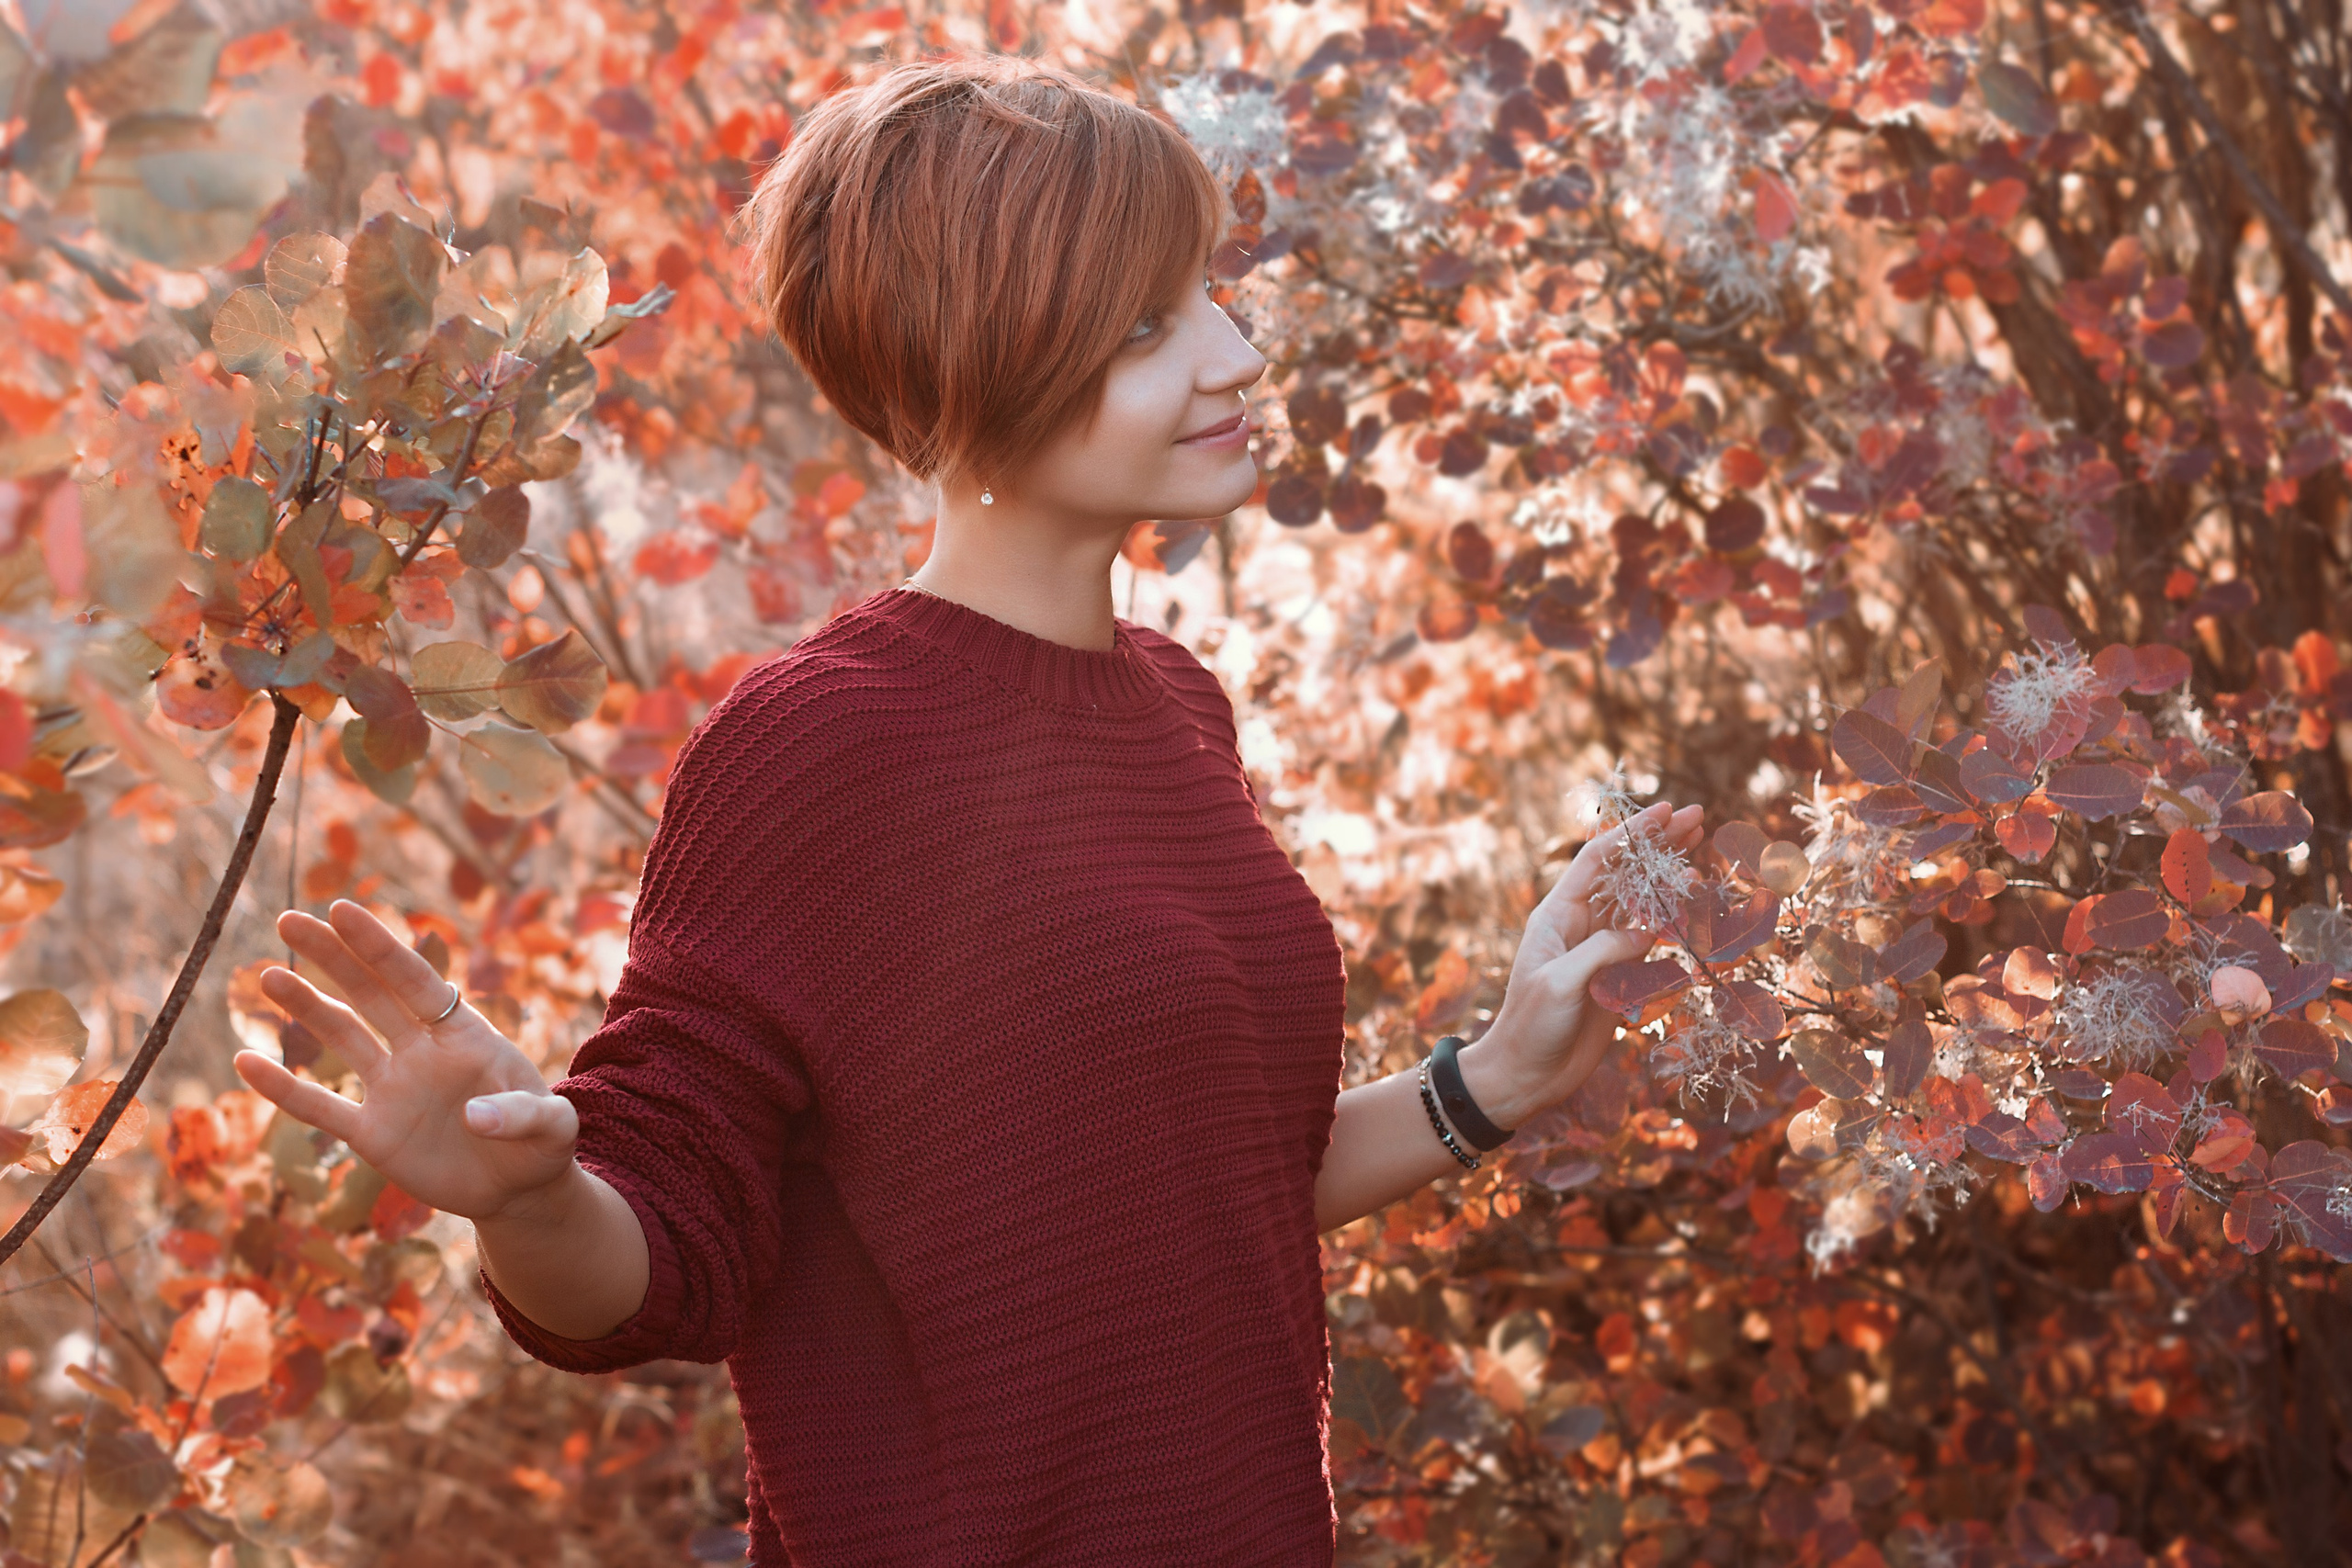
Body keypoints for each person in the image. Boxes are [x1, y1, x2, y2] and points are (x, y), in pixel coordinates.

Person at [232, 53, 1705, 1567]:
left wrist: (1494, 1080)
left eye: (1206, 292)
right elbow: (667, 1252)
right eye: (1148, 325)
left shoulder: (1177, 708)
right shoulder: (816, 748)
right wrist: (523, 1201)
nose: (1238, 354)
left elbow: (1192, 1193)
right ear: (982, 355)